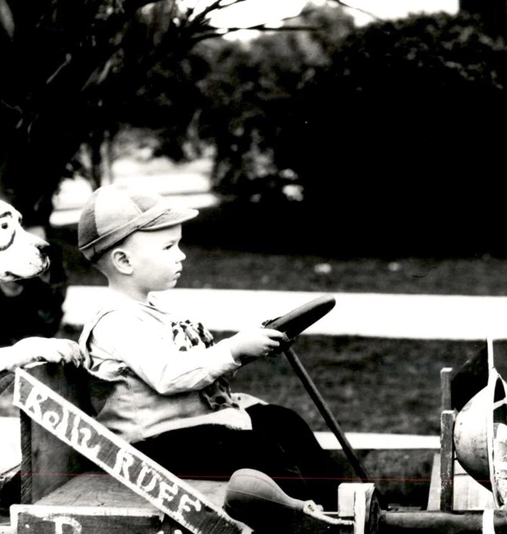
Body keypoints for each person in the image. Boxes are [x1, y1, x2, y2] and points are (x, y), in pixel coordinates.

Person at [77, 184, 341, 506]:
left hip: (187, 429)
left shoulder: (156, 310)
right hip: (147, 448)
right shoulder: (117, 321)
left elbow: (199, 364)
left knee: (283, 422)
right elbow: (169, 375)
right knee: (254, 449)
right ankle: (307, 523)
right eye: (168, 247)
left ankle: (342, 506)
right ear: (123, 261)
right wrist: (232, 349)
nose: (181, 255)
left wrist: (248, 347)